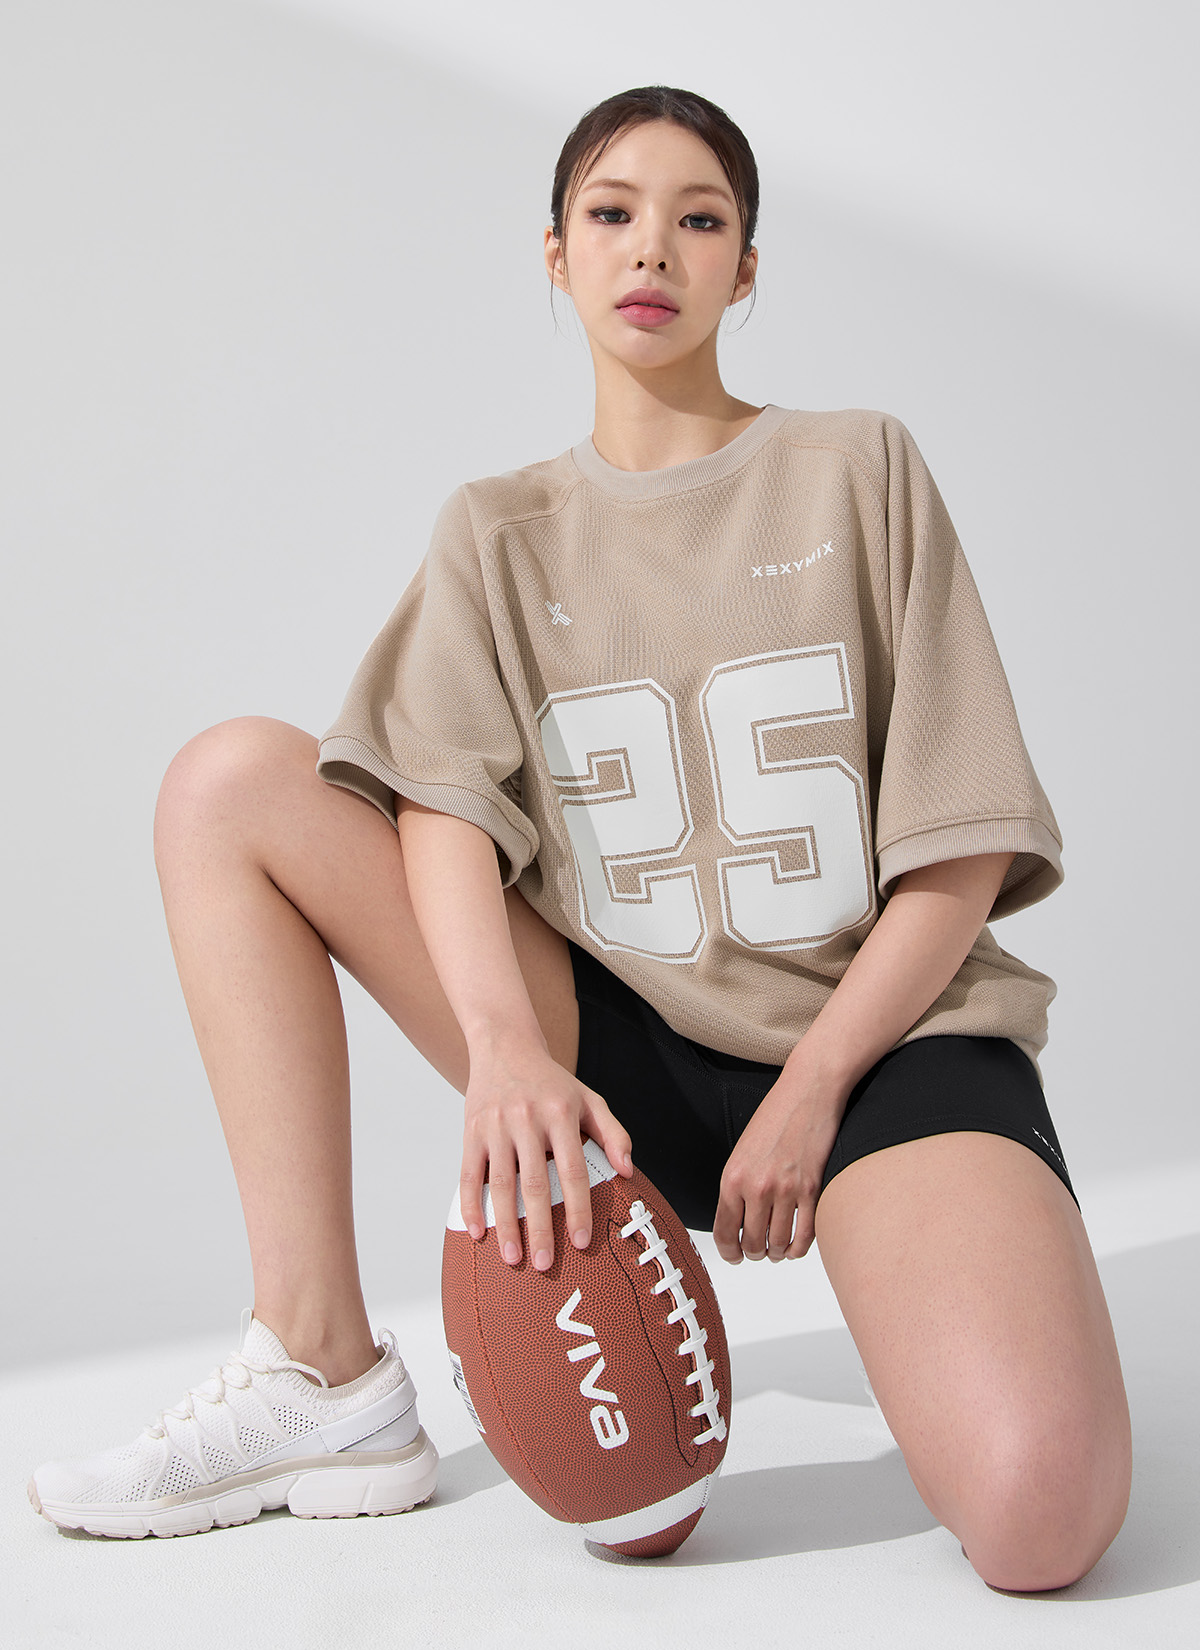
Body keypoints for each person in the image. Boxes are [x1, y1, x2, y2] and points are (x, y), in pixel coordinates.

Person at [29, 86, 1130, 1589]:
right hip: (608, 1045)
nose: (651, 248)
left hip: (880, 1046)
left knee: (1042, 1520)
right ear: (556, 255)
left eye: (700, 218)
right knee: (230, 783)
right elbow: (442, 805)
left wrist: (812, 1090)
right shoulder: (499, 527)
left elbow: (959, 844)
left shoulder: (859, 467)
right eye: (612, 213)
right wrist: (503, 1051)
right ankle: (320, 1369)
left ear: (747, 266)